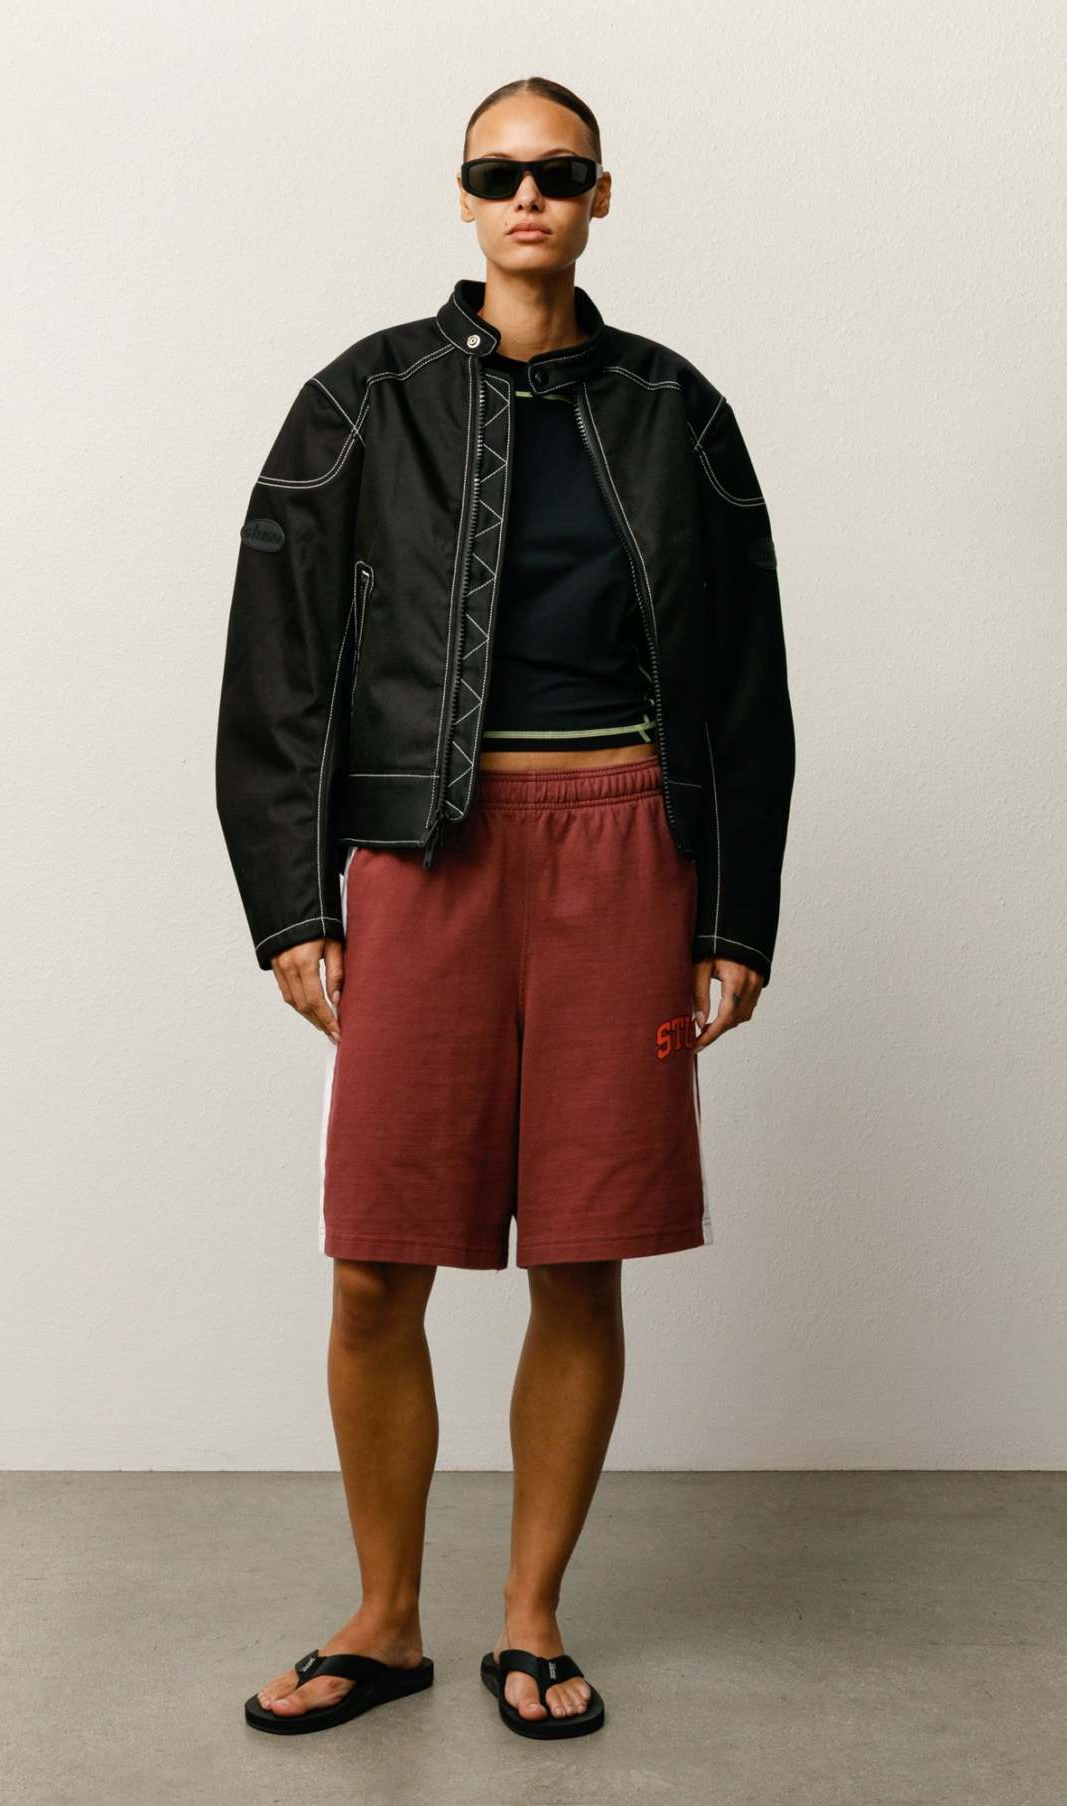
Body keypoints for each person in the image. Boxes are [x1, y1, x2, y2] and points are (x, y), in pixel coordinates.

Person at [216, 75, 795, 1742]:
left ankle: (530, 1615)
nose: (525, 195)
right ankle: (383, 1617)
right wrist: (290, 899)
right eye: (496, 172)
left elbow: (744, 678)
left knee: (582, 1257)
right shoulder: (362, 400)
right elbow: (276, 665)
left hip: (623, 843)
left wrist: (734, 912)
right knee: (374, 1263)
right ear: (463, 198)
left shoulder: (676, 411)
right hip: (424, 850)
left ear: (601, 195)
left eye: (557, 172)